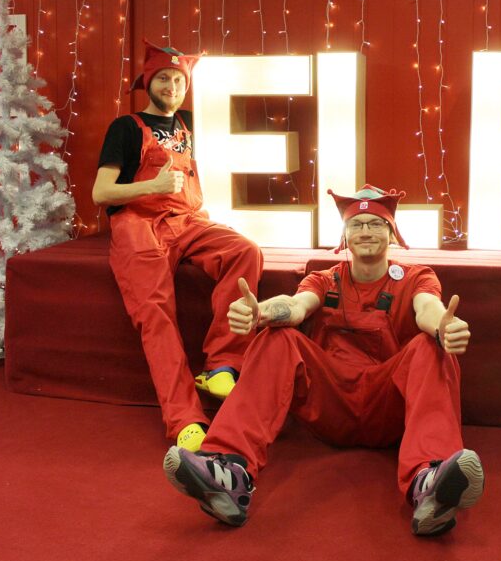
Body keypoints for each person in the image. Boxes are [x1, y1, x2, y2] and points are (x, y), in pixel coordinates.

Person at [162, 185, 484, 535]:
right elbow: (296, 307)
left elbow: (428, 308)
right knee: (278, 336)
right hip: (329, 406)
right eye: (356, 224)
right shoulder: (323, 279)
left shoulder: (416, 277)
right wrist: (260, 313)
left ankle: (429, 481)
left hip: (387, 407)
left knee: (430, 346)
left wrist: (442, 327)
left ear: (392, 233)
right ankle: (229, 470)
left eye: (375, 224)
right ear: (345, 235)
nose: (365, 231)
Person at [92, 40, 263, 453]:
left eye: (179, 80)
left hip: (187, 220)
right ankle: (184, 419)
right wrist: (152, 185)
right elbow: (101, 192)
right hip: (139, 225)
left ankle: (222, 364)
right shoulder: (126, 127)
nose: (172, 86)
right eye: (164, 79)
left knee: (245, 251)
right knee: (155, 312)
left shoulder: (190, 124)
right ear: (148, 82)